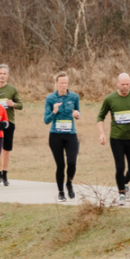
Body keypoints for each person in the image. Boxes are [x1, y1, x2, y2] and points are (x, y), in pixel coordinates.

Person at [97, 73, 130, 205]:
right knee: (120, 167)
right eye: (123, 84)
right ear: (117, 84)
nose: (125, 87)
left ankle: (124, 182)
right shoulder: (110, 99)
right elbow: (100, 117)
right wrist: (102, 133)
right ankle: (121, 193)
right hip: (117, 139)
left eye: (127, 84)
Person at [45, 72, 81, 201]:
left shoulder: (74, 97)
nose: (63, 85)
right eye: (61, 83)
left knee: (72, 162)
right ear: (56, 84)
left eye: (65, 83)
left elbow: (78, 112)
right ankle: (61, 192)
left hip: (71, 134)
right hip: (56, 135)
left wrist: (77, 115)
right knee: (60, 165)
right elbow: (46, 120)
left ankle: (69, 183)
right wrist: (54, 111)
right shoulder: (50, 99)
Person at [0, 65, 23, 187]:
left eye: (4, 74)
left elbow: (20, 105)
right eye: (0, 73)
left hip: (9, 122)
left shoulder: (12, 89)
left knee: (6, 150)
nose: (2, 76)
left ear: (8, 75)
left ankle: (5, 174)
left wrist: (13, 104)